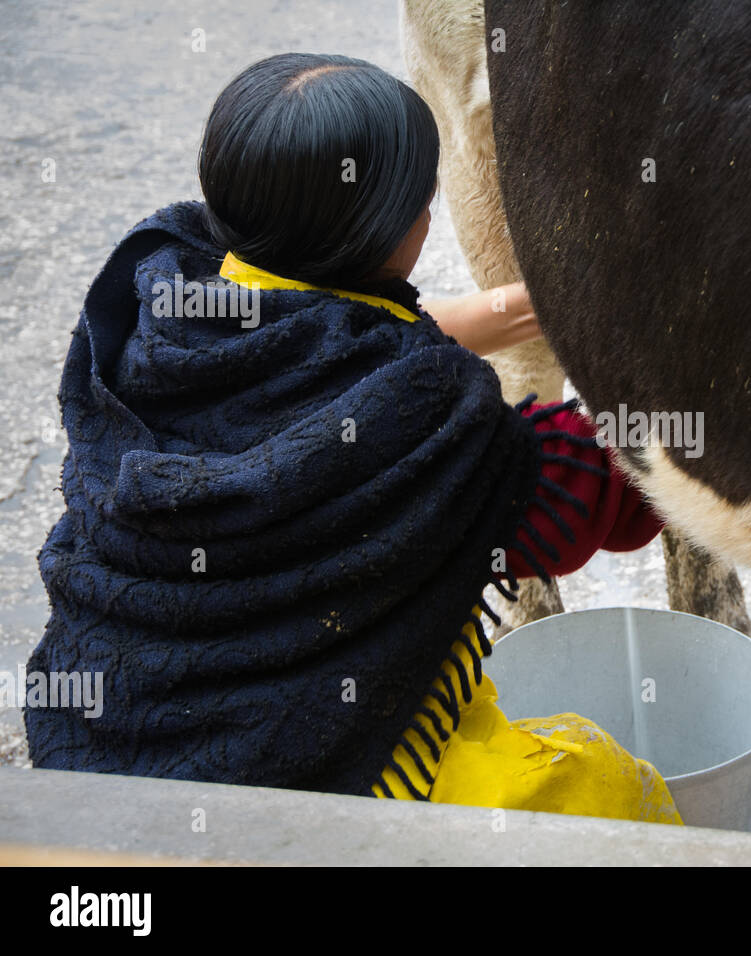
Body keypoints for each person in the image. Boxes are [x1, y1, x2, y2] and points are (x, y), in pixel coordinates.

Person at [24, 52, 681, 825]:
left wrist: (536, 306)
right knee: (607, 782)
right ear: (392, 234)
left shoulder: (160, 300)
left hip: (99, 747)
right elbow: (597, 490)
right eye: (425, 206)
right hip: (315, 781)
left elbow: (340, 327)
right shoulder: (427, 421)